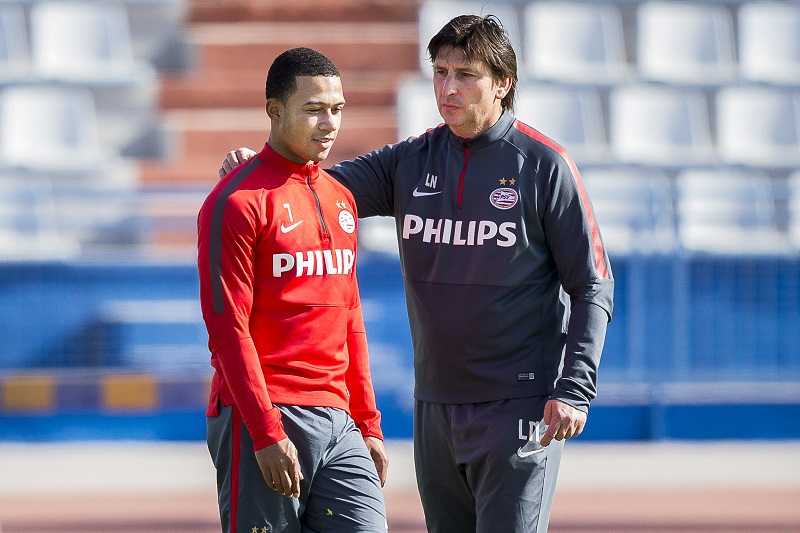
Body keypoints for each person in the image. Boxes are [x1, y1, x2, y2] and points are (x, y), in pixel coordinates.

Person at [220, 15, 614, 533]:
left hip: (518, 406)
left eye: (466, 75)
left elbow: (592, 284)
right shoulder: (411, 160)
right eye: (440, 71)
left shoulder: (544, 167)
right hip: (435, 409)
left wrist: (574, 389)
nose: (448, 88)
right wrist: (261, 171)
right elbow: (315, 193)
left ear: (503, 84)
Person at [198, 47, 389, 533]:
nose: (329, 123)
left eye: (337, 109)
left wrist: (368, 423)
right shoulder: (234, 203)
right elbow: (227, 331)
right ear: (274, 111)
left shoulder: (340, 198)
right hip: (263, 416)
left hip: (338, 420)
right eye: (314, 109)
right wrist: (265, 433)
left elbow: (351, 321)